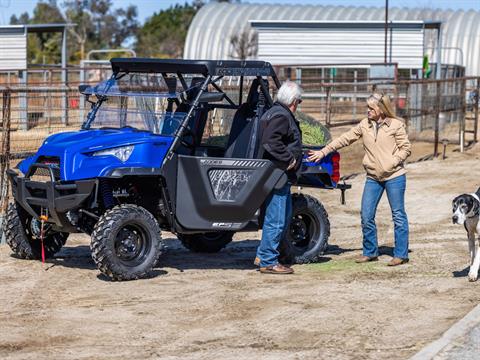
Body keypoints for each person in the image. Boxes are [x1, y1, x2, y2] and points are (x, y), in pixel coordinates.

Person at [308, 92, 412, 266]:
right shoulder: (365, 125)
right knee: (366, 214)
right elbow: (345, 139)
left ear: (381, 109)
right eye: (367, 107)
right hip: (373, 177)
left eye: (371, 108)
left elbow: (406, 148)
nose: (368, 111)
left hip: (394, 176)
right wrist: (324, 151)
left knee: (398, 215)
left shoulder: (396, 125)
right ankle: (370, 252)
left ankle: (401, 254)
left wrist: (392, 162)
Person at [255, 81, 303, 274]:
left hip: (274, 174)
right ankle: (268, 260)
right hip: (278, 174)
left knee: (279, 216)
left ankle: (263, 254)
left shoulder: (273, 112)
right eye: (299, 100)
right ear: (293, 101)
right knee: (276, 218)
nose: (298, 104)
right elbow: (270, 141)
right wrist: (289, 158)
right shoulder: (282, 116)